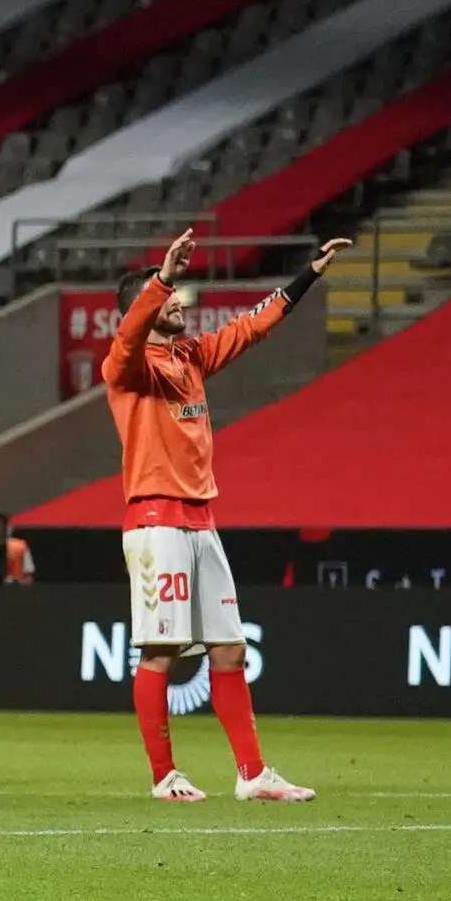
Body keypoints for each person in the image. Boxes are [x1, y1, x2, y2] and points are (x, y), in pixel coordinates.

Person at [100, 225, 346, 803]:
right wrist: (161, 278)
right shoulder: (126, 367)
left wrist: (308, 275)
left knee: (230, 646)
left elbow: (250, 327)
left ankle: (253, 773)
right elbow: (130, 337)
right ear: (149, 304)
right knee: (161, 650)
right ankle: (164, 777)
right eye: (171, 298)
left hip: (201, 519)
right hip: (155, 519)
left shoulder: (190, 356)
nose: (182, 303)